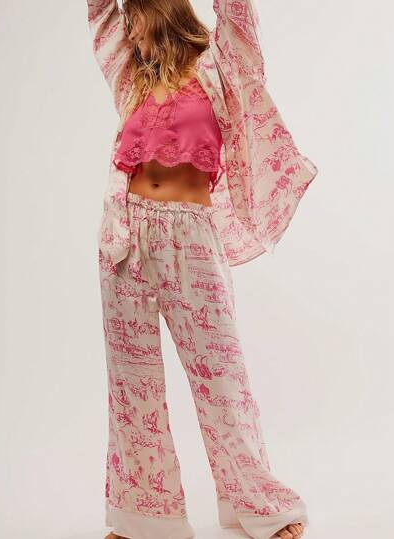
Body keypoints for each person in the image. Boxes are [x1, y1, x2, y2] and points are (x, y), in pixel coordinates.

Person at [85, 1, 318, 539]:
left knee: (222, 377)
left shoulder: (219, 63)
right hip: (125, 235)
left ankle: (258, 503)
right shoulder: (133, 76)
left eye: (134, 20)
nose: (128, 32)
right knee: (131, 382)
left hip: (191, 236)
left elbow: (238, 17)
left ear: (160, 13)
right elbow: (99, 14)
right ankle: (141, 517)